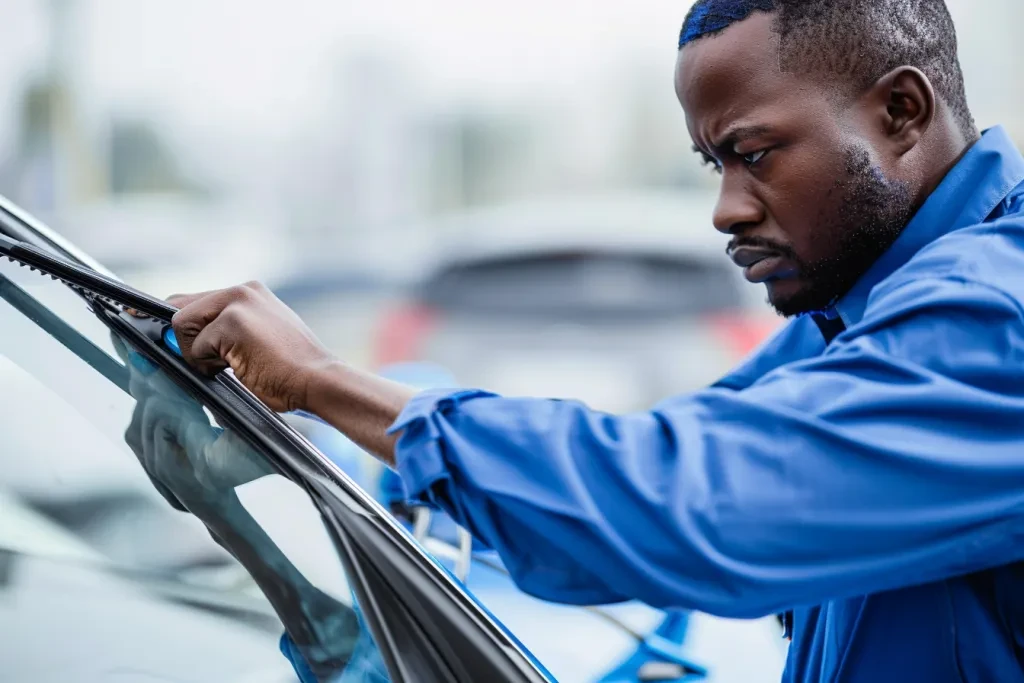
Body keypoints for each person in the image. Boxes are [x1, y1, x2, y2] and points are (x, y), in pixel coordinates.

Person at [130, 0, 1024, 680]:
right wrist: (300, 465)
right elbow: (627, 487)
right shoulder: (864, 315)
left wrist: (326, 382)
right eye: (714, 164)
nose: (726, 209)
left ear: (902, 111)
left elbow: (685, 505)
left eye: (755, 153)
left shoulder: (997, 318)